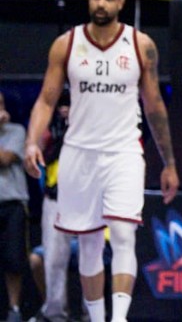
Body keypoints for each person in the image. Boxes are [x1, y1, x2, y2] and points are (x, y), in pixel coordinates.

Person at [23, 0, 180, 322]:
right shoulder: (67, 44)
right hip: (79, 152)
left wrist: (169, 162)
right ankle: (97, 318)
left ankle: (118, 318)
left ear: (121, 2)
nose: (101, 3)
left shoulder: (140, 45)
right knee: (90, 242)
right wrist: (32, 141)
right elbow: (46, 100)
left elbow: (154, 106)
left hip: (124, 152)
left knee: (123, 233)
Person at [30, 90, 74, 322]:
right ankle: (56, 312)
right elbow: (39, 152)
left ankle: (92, 313)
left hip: (86, 199)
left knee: (91, 257)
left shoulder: (89, 126)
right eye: (62, 105)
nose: (65, 109)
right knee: (53, 258)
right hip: (55, 197)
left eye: (69, 104)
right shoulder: (51, 129)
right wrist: (51, 131)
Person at [0, 93, 28, 322]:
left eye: (0, 103)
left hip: (13, 204)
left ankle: (15, 309)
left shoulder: (17, 131)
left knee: (14, 259)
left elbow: (5, 159)